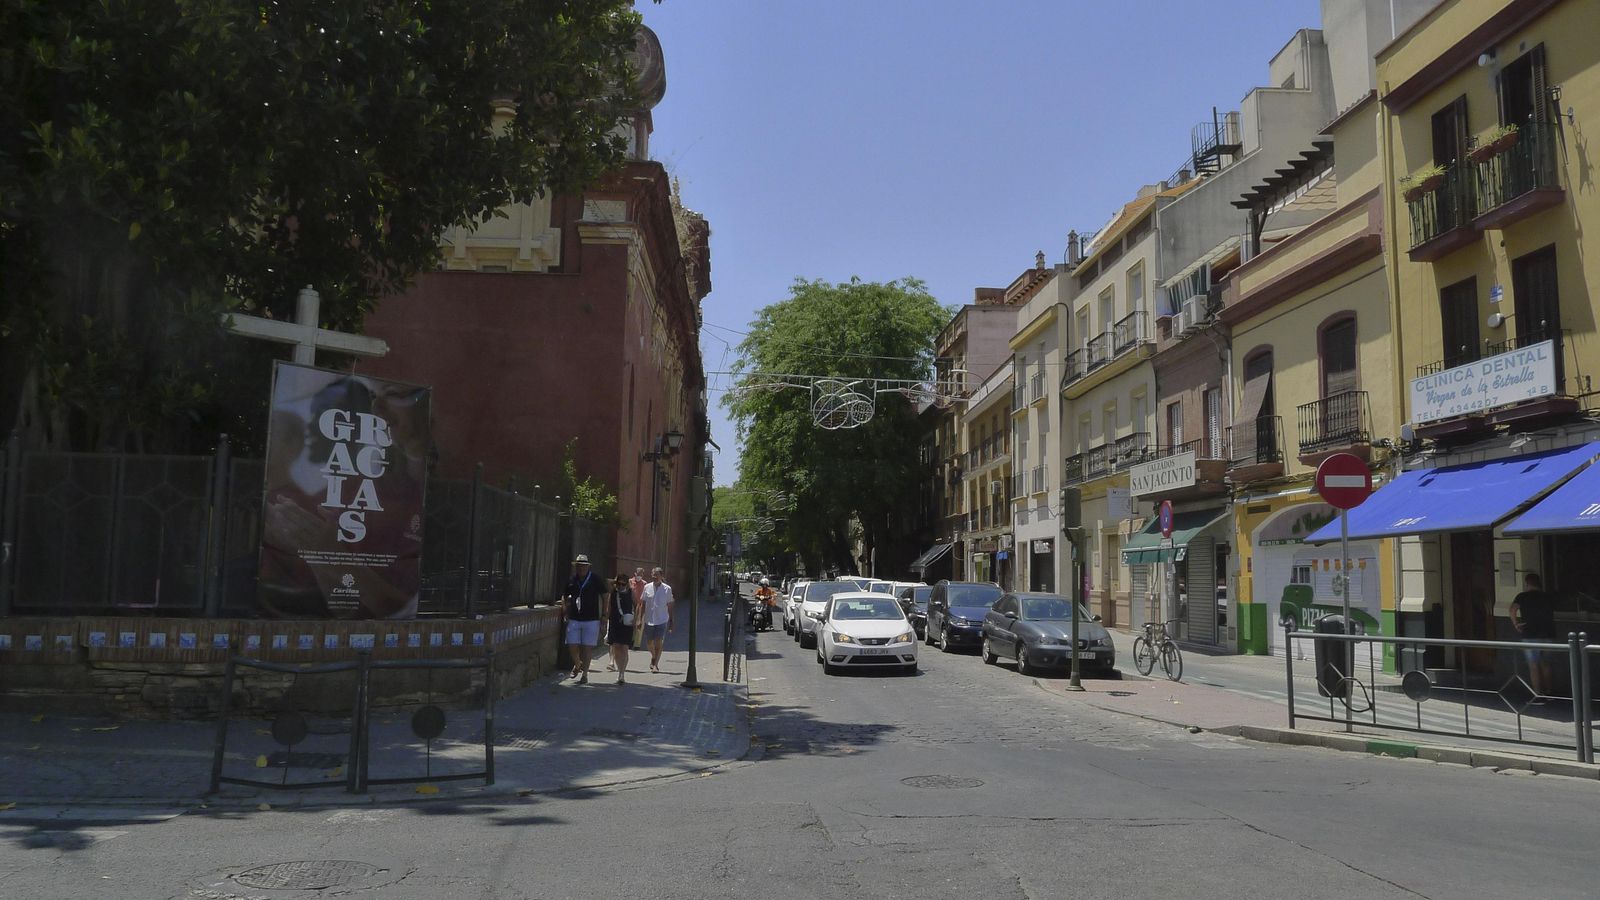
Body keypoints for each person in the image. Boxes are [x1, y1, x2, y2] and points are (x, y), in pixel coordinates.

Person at [1510, 573, 1557, 694]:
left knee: (1533, 665)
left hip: (1530, 634)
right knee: (1546, 664)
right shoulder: (1548, 596)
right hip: (1548, 633)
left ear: (1526, 583)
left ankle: (1537, 693)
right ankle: (1549, 691)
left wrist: (1516, 624)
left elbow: (1512, 609)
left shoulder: (1522, 596)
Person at [562, 554, 605, 684]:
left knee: (587, 648)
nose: (581, 568)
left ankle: (584, 674)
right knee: (571, 643)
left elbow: (606, 595)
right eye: (579, 566)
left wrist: (605, 614)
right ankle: (577, 663)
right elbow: (564, 595)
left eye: (583, 566)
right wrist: (565, 610)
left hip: (591, 619)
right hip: (575, 617)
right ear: (576, 567)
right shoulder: (572, 579)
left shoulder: (595, 579)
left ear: (587, 567)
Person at [639, 566, 675, 673]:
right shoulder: (647, 587)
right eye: (653, 575)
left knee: (659, 641)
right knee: (649, 642)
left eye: (657, 575)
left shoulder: (667, 589)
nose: (654, 577)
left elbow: (670, 605)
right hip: (649, 619)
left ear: (661, 576)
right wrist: (640, 619)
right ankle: (653, 656)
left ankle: (655, 664)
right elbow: (643, 604)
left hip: (662, 619)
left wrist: (671, 620)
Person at [606, 573, 639, 684]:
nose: (620, 586)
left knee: (624, 648)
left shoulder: (631, 593)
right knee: (616, 647)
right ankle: (619, 670)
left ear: (627, 584)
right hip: (615, 622)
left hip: (627, 623)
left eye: (623, 584)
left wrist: (636, 619)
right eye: (618, 584)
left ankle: (621, 673)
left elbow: (637, 605)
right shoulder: (613, 593)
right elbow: (609, 607)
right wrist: (606, 619)